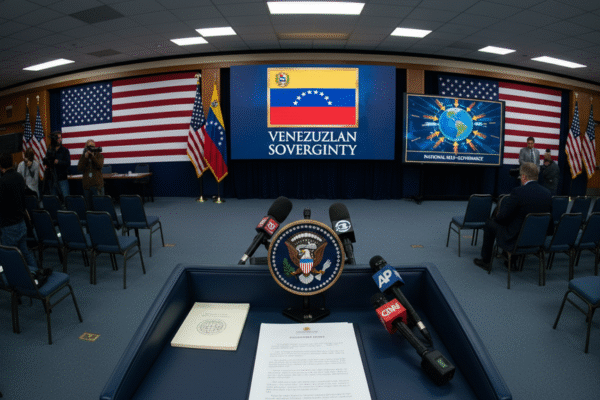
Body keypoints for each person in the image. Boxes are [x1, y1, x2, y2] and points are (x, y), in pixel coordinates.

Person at [474, 162, 552, 269]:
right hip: (537, 239)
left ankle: (486, 261)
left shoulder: (518, 192)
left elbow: (503, 218)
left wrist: (498, 215)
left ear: (523, 177)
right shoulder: (547, 193)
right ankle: (510, 260)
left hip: (516, 239)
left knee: (489, 224)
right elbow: (549, 220)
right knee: (517, 222)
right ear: (536, 176)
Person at [0, 152, 38, 270]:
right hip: (21, 222)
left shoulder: (2, 182)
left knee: (9, 257)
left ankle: (15, 278)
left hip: (8, 226)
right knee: (25, 253)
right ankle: (35, 274)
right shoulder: (19, 177)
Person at [43, 131, 71, 200]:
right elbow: (47, 162)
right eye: (58, 138)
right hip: (52, 179)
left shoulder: (65, 151)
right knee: (54, 199)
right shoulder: (50, 150)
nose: (60, 139)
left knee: (66, 198)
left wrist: (58, 162)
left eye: (60, 138)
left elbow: (68, 163)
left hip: (62, 179)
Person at [77, 139, 104, 208]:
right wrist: (85, 158)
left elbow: (99, 166)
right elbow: (79, 168)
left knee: (99, 206)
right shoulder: (84, 156)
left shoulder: (99, 155)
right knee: (89, 206)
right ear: (86, 148)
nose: (91, 148)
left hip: (97, 185)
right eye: (89, 147)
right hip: (87, 186)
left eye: (92, 146)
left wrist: (92, 157)